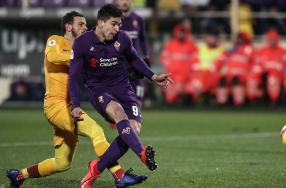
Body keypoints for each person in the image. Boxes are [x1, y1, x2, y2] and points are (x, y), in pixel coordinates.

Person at [6, 11, 146, 188]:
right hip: (55, 106)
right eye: (81, 24)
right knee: (96, 132)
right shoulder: (56, 40)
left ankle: (18, 175)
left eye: (86, 24)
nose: (85, 27)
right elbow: (52, 56)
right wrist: (77, 56)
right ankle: (120, 176)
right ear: (68, 26)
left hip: (70, 107)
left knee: (62, 163)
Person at [68, 4, 173, 187]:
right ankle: (142, 154)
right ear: (101, 22)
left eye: (119, 24)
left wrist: (153, 76)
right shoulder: (83, 43)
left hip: (124, 88)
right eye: (114, 24)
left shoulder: (123, 39)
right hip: (99, 90)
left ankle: (95, 168)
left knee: (132, 131)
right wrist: (75, 104)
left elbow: (134, 59)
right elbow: (74, 77)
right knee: (118, 113)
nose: (118, 28)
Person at [115, 0, 151, 107]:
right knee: (117, 95)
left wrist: (146, 54)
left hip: (134, 59)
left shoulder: (138, 19)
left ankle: (137, 109)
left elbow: (143, 38)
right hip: (119, 61)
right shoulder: (114, 20)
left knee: (138, 88)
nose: (124, 2)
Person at [246, 30, 286, 105]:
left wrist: (272, 70)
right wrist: (262, 71)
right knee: (252, 77)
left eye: (274, 39)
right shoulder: (262, 51)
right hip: (264, 73)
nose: (272, 41)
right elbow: (257, 65)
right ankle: (252, 100)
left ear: (277, 40)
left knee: (272, 78)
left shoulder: (283, 52)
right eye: (270, 39)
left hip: (277, 75)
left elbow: (285, 66)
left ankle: (274, 100)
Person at [160, 21, 198, 104]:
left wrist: (191, 76)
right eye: (180, 32)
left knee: (190, 95)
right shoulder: (170, 45)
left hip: (187, 78)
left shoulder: (191, 45)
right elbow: (164, 60)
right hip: (172, 77)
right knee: (170, 99)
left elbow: (195, 62)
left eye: (183, 32)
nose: (181, 34)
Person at [215, 32, 255, 106]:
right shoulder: (231, 49)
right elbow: (220, 59)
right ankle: (222, 103)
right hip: (229, 73)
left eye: (241, 38)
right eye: (239, 38)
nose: (240, 40)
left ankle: (239, 102)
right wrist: (216, 67)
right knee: (221, 80)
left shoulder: (249, 49)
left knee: (236, 80)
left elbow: (254, 62)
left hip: (242, 74)